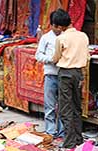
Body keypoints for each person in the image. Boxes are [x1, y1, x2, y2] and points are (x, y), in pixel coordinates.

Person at [52, 9, 89, 149]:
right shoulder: (83, 36)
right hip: (78, 73)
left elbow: (56, 58)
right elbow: (86, 55)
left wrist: (55, 59)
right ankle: (78, 138)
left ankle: (69, 141)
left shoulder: (61, 38)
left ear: (60, 26)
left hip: (65, 74)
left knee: (65, 108)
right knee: (76, 106)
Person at [35, 11, 64, 139]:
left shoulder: (66, 37)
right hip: (51, 74)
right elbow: (38, 55)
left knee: (63, 106)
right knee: (50, 105)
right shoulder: (46, 38)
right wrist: (51, 59)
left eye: (61, 27)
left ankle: (62, 132)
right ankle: (50, 132)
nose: (59, 29)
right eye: (56, 26)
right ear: (51, 25)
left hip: (63, 74)